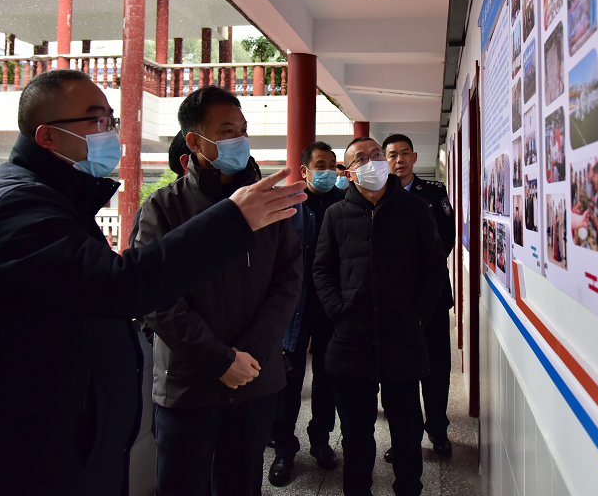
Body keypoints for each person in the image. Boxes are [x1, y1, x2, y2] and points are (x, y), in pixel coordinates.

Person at [0, 70, 306, 495]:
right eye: (97, 120)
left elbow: (289, 280)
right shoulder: (18, 206)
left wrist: (252, 350)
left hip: (69, 442)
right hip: (31, 455)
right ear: (47, 136)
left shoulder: (59, 199)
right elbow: (124, 288)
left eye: (111, 120)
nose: (111, 133)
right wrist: (233, 220)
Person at [133, 86, 302, 496]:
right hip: (189, 384)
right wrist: (219, 360)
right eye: (228, 131)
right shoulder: (163, 208)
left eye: (243, 130)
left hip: (255, 379)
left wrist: (250, 354)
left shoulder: (269, 205)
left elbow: (288, 282)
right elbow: (156, 297)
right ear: (195, 142)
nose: (240, 140)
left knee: (241, 484)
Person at [313, 137, 447, 496]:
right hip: (351, 341)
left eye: (376, 155)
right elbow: (322, 269)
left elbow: (435, 266)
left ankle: (409, 489)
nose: (372, 161)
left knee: (407, 432)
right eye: (361, 158)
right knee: (356, 435)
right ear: (348, 173)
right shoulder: (336, 214)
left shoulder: (415, 208)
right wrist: (337, 311)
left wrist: (419, 314)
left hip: (402, 338)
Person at [269, 141, 344, 486]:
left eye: (332, 165)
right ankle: (284, 449)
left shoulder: (344, 203)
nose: (327, 171)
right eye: (320, 165)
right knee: (288, 381)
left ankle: (321, 440)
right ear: (305, 170)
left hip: (331, 308)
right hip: (292, 309)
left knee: (327, 379)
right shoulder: (287, 205)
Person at [382, 134, 456, 462]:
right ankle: (404, 437)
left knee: (436, 367)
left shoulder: (434, 193)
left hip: (432, 297)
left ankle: (438, 430)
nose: (398, 160)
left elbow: (445, 241)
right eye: (391, 155)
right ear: (384, 160)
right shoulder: (378, 195)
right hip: (394, 303)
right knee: (400, 373)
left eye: (404, 154)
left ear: (414, 157)